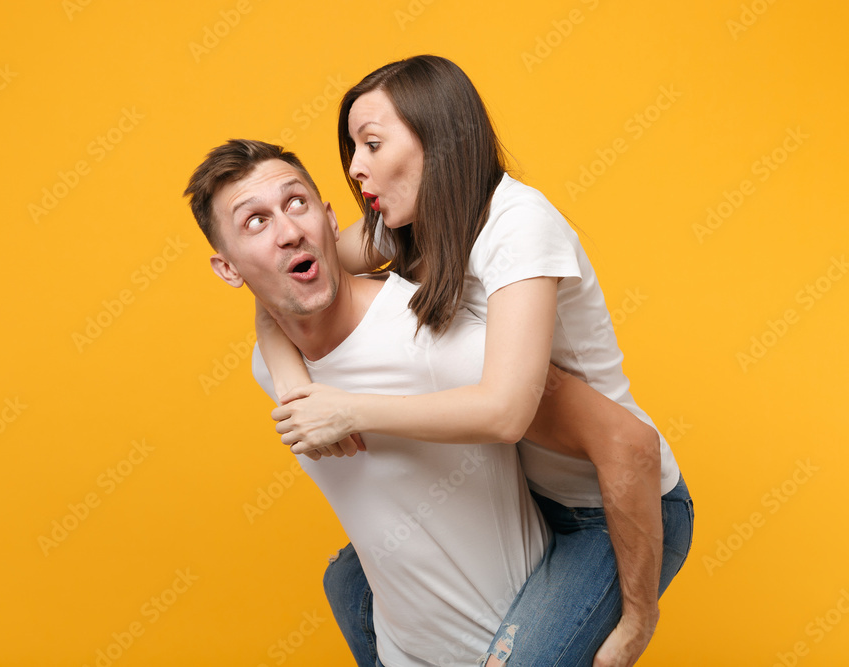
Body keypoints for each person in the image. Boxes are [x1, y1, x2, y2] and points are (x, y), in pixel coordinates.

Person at [257, 55, 694, 666]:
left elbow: (507, 411)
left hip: (609, 505)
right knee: (351, 586)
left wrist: (637, 619)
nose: (355, 168)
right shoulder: (408, 224)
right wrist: (291, 383)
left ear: (437, 137)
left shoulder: (519, 227)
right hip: (526, 494)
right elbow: (284, 281)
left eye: (372, 143)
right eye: (353, 148)